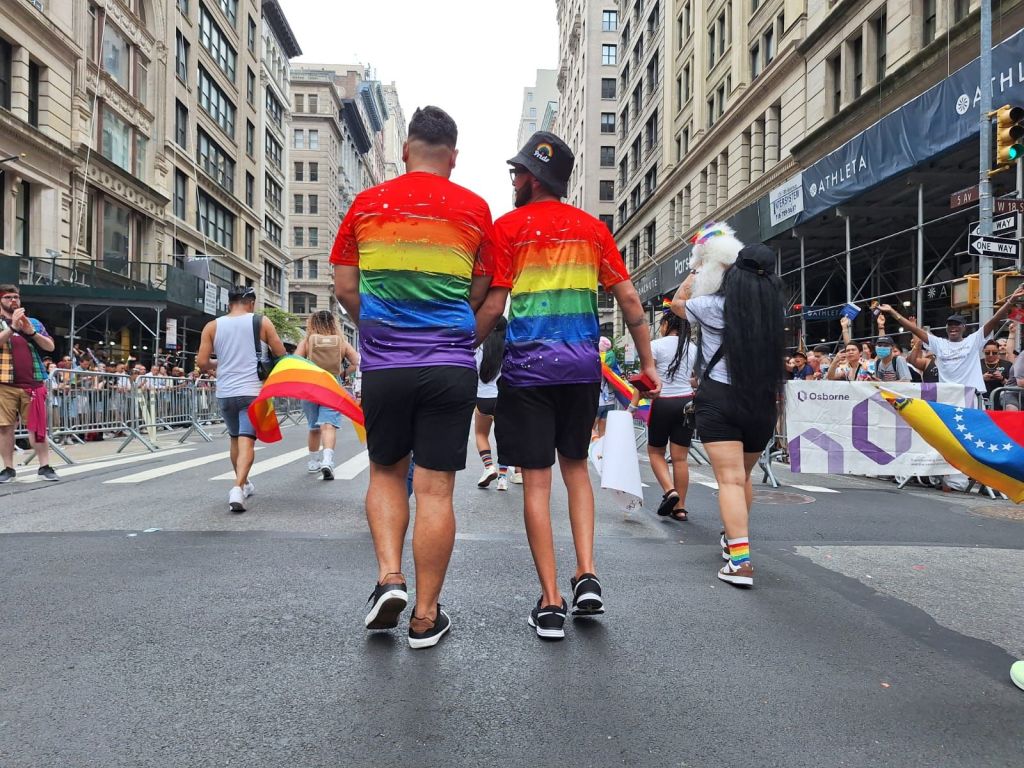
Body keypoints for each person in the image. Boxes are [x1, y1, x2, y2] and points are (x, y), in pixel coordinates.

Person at [331, 105, 502, 649]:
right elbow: (485, 294)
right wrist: (459, 337)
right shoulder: (476, 209)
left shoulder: (367, 204)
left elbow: (344, 287)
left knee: (386, 473)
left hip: (386, 367)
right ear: (453, 157)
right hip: (450, 366)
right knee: (436, 490)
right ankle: (426, 617)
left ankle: (390, 578)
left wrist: (380, 330)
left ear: (406, 151)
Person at [484, 130, 660, 641]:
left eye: (518, 172)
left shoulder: (507, 228)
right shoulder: (592, 230)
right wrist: (648, 364)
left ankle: (551, 601)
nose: (513, 179)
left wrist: (456, 350)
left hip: (527, 372)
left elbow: (493, 304)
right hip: (581, 369)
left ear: (533, 178)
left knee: (537, 482)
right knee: (576, 468)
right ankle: (587, 574)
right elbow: (629, 300)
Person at [670, 240, 785, 589]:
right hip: (762, 402)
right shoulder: (774, 312)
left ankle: (741, 561)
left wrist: (698, 269)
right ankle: (734, 543)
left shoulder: (710, 306)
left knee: (730, 480)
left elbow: (676, 303)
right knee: (743, 477)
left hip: (719, 398)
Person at [196, 285, 286, 513]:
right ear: (252, 303)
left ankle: (243, 484)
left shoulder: (212, 326)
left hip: (225, 392)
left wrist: (221, 362)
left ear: (229, 303)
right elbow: (281, 353)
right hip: (252, 391)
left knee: (235, 439)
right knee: (247, 440)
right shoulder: (261, 322)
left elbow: (202, 362)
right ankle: (237, 487)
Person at [882, 292, 1024, 395]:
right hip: (948, 396)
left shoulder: (973, 340)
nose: (953, 327)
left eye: (957, 324)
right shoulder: (939, 344)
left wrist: (1010, 301)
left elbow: (994, 320)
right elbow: (914, 329)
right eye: (950, 325)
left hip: (970, 395)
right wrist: (893, 312)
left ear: (964, 327)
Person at [629, 308, 697, 522]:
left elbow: (645, 378)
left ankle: (670, 491)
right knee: (680, 458)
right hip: (687, 404)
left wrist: (632, 407)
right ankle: (680, 508)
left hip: (663, 402)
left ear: (667, 324)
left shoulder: (656, 346)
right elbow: (697, 379)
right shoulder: (693, 348)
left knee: (656, 452)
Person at [0, 284, 59, 482]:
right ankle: (8, 468)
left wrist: (32, 332)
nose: (13, 300)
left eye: (15, 297)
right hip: (4, 383)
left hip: (33, 383)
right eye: (8, 297)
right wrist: (12, 328)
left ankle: (45, 466)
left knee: (38, 428)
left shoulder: (33, 322)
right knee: (5, 427)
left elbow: (50, 346)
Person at [295, 310, 359, 480]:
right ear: (333, 323)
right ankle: (327, 460)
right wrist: (343, 373)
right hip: (332, 386)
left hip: (310, 387)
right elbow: (356, 362)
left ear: (312, 324)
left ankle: (313, 462)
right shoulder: (341, 342)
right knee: (328, 425)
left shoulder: (307, 341)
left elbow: (296, 361)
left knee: (313, 427)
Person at [474, 316, 510, 490]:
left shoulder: (479, 348)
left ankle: (489, 467)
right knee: (504, 437)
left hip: (483, 398)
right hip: (504, 398)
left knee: (481, 434)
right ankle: (502, 478)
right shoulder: (508, 348)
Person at [594, 336, 617, 438]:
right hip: (610, 402)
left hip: (598, 401)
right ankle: (600, 448)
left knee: (590, 430)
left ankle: (593, 447)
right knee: (603, 433)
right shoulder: (612, 363)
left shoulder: (596, 363)